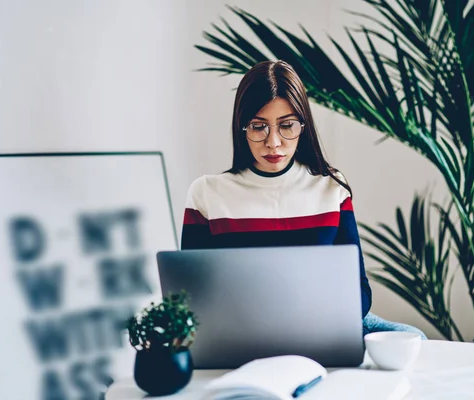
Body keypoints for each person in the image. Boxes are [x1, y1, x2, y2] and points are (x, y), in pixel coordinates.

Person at [181, 59, 427, 339]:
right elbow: (192, 298)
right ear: (242, 127)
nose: (273, 142)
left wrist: (322, 320)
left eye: (287, 126)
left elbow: (358, 289)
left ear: (303, 126)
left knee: (414, 338)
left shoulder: (330, 187)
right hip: (244, 330)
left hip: (323, 324)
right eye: (258, 126)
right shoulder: (207, 193)